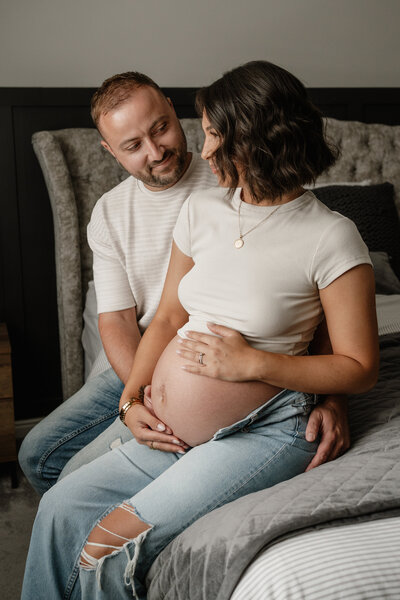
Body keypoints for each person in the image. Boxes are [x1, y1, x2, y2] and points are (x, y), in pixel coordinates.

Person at [22, 60, 379, 600]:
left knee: (111, 543)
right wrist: (131, 398)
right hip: (167, 418)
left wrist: (254, 364)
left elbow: (359, 365)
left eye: (213, 134)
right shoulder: (201, 209)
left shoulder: (332, 237)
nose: (202, 149)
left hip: (267, 424)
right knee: (58, 506)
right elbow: (164, 318)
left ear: (256, 140)